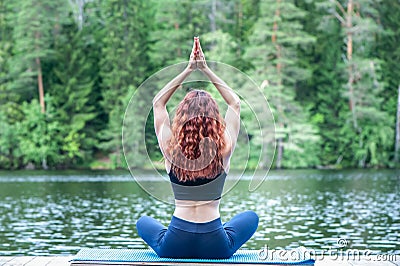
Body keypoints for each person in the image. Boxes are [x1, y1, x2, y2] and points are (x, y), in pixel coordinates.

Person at [136, 37, 258, 259]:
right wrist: (206, 69)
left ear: (182, 117)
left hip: (174, 245)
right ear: (214, 118)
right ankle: (223, 240)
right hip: (216, 246)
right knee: (251, 217)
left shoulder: (170, 151)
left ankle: (169, 238)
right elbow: (235, 103)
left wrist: (188, 69)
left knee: (143, 222)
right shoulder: (224, 150)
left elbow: (157, 103)